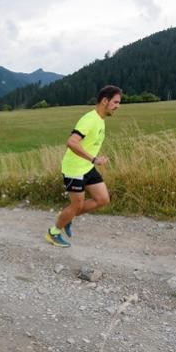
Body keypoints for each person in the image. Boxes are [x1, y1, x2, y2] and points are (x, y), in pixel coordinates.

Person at [45, 85, 122, 247]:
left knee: (102, 199)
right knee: (77, 205)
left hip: (86, 167)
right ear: (104, 101)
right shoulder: (90, 119)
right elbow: (71, 142)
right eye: (115, 102)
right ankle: (54, 232)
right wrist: (94, 159)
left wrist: (91, 161)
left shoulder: (101, 120)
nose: (118, 106)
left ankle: (67, 216)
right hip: (74, 169)